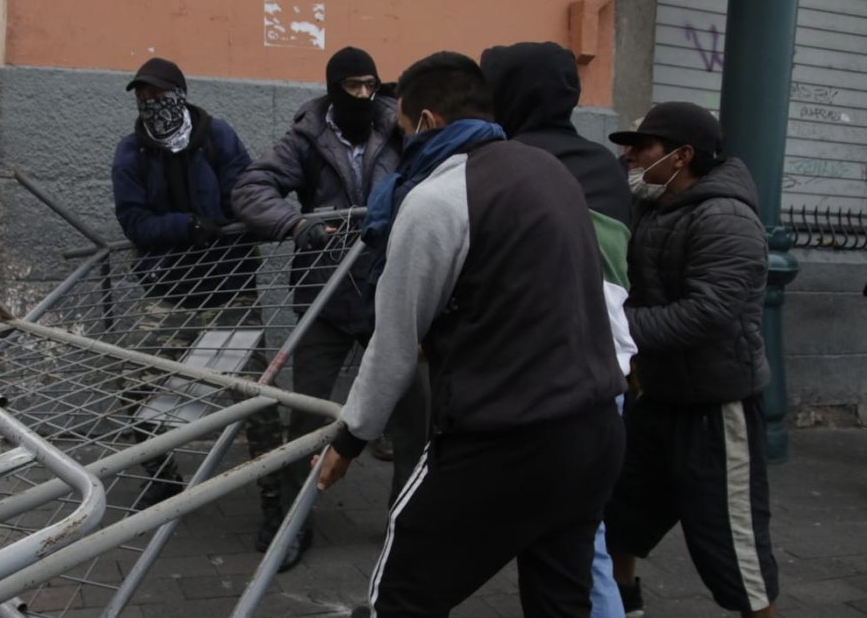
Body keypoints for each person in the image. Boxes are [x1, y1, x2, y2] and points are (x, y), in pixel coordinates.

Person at [315, 51, 625, 617]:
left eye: (404, 128)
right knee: (561, 601)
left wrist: (350, 440)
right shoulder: (548, 171)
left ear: (429, 122)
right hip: (594, 430)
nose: (403, 142)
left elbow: (394, 343)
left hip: (502, 439)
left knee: (400, 598)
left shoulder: (436, 199)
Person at [232, 45, 426, 571]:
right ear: (333, 86)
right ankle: (293, 523)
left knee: (413, 417)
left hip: (391, 294)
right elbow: (251, 188)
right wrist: (296, 224)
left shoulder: (401, 130)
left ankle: (405, 526)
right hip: (327, 294)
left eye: (370, 85)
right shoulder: (308, 137)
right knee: (309, 416)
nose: (363, 95)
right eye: (352, 87)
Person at [480, 41, 637, 618]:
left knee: (442, 542)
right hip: (604, 383)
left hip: (526, 383)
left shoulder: (502, 161)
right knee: (582, 542)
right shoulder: (604, 167)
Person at [604, 102, 778, 618]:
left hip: (715, 408)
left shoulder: (726, 218)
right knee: (620, 516)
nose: (630, 156)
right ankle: (624, 603)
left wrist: (615, 329)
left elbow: (707, 316)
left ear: (681, 156)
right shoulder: (653, 204)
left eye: (643, 147)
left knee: (733, 550)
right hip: (656, 399)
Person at [111, 57, 283, 524]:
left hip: (230, 291)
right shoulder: (132, 153)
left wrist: (239, 221)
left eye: (161, 96)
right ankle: (163, 481)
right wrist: (187, 226)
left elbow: (245, 190)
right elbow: (134, 221)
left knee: (254, 399)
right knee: (135, 388)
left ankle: (276, 500)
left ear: (181, 95)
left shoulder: (218, 137)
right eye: (143, 99)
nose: (152, 106)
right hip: (169, 293)